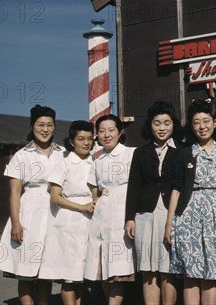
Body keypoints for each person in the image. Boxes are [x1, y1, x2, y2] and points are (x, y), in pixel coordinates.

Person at [164, 99, 216, 305]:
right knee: (191, 273)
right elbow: (176, 189)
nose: (202, 127)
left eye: (206, 121)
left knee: (212, 273)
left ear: (214, 122)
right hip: (189, 217)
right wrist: (170, 224)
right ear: (191, 126)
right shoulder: (184, 154)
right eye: (196, 122)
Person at [0, 105, 64, 305]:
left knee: (44, 270)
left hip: (54, 214)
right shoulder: (21, 155)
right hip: (29, 214)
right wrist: (16, 223)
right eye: (41, 124)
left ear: (55, 127)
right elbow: (15, 193)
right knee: (25, 270)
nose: (45, 129)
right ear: (32, 126)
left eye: (50, 125)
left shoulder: (63, 153)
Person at [125, 101, 183, 305]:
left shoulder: (182, 151)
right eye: (157, 123)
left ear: (173, 125)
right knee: (148, 270)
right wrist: (129, 218)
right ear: (150, 125)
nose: (162, 127)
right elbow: (133, 187)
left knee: (167, 270)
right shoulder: (140, 153)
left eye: (167, 123)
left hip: (170, 215)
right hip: (145, 215)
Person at [38, 120, 95, 305]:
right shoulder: (64, 163)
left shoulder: (95, 162)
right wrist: (81, 207)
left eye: (89, 139)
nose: (86, 143)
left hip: (89, 221)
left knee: (80, 275)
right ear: (72, 142)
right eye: (80, 139)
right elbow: (55, 197)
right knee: (68, 276)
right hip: (68, 221)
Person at [84, 114, 136, 305]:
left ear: (120, 132)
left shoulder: (131, 153)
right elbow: (94, 189)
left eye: (111, 130)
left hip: (122, 210)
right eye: (102, 131)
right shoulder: (97, 159)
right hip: (101, 214)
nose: (106, 135)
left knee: (118, 269)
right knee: (102, 267)